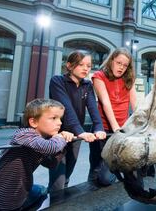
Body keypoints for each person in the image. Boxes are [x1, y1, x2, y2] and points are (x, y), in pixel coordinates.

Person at [0, 99, 74, 211]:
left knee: (41, 191)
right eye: (53, 118)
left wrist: (61, 146)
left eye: (60, 119)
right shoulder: (23, 135)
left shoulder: (42, 141)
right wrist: (60, 138)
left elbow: (51, 164)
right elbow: (50, 147)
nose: (60, 123)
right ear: (33, 122)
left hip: (17, 194)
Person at [49, 50, 106, 192]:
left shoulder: (87, 85)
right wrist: (81, 131)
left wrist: (99, 127)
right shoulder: (57, 81)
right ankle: (53, 202)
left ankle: (61, 202)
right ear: (69, 65)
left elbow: (93, 108)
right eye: (81, 65)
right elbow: (66, 108)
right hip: (59, 134)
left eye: (88, 65)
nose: (86, 68)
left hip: (75, 137)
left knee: (68, 173)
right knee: (58, 180)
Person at [91, 48, 137, 184]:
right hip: (103, 129)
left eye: (125, 65)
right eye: (119, 63)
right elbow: (105, 103)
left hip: (122, 128)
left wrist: (139, 124)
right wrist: (115, 127)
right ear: (111, 61)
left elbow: (135, 105)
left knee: (107, 175)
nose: (121, 67)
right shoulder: (99, 76)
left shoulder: (129, 79)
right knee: (96, 167)